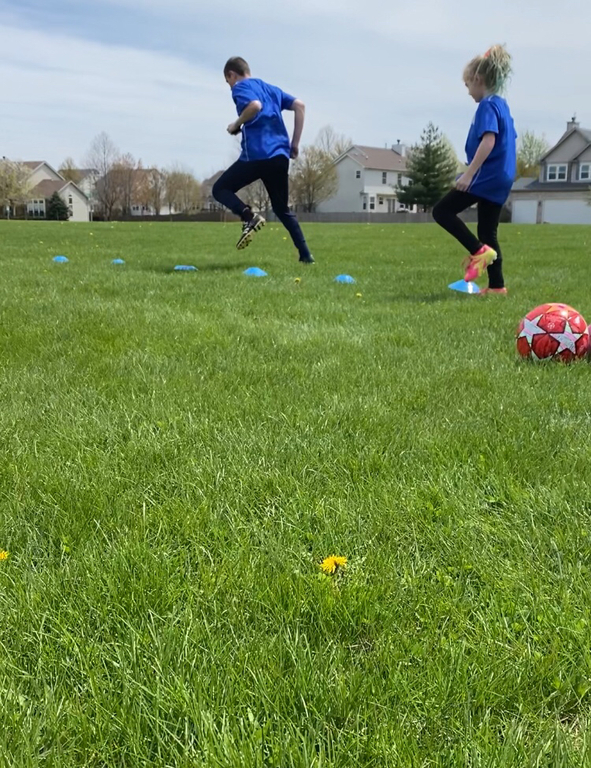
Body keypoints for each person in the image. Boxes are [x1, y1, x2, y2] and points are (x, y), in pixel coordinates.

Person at [212, 57, 314, 263]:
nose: (229, 85)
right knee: (282, 209)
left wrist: (236, 124)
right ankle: (306, 255)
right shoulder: (271, 89)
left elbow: (255, 105)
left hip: (257, 155)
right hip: (280, 156)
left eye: (228, 81)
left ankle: (248, 217)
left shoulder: (240, 87)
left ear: (232, 75)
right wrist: (295, 144)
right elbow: (300, 105)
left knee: (220, 189)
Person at [433, 45, 516, 295]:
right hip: (502, 177)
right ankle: (497, 286)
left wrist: (468, 175)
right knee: (487, 230)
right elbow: (509, 140)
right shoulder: (502, 105)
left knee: (442, 211)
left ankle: (478, 252)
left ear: (478, 79)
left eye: (468, 84)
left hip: (487, 175)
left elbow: (489, 141)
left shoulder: (487, 106)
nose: (468, 91)